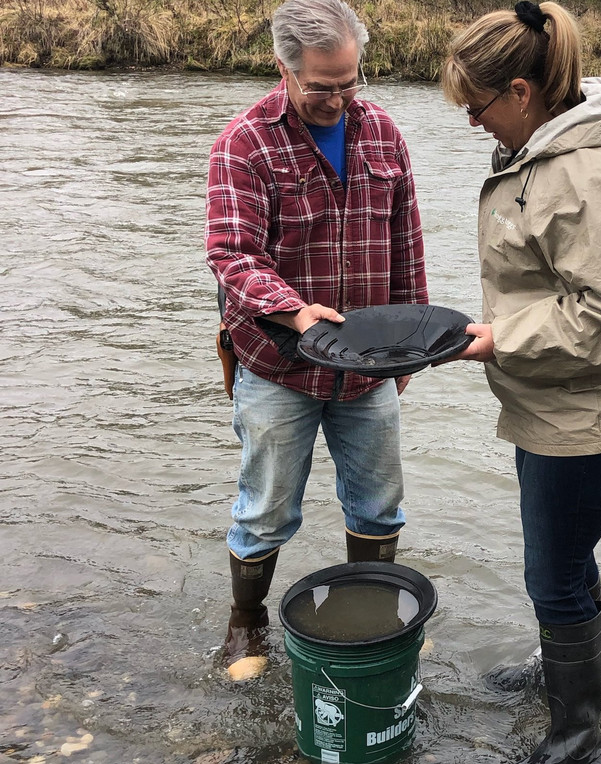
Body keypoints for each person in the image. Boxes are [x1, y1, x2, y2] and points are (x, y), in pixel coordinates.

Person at [441, 0, 601, 764]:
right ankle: (562, 671)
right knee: (567, 560)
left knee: (555, 573)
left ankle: (576, 742)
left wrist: (502, 337)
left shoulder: (585, 170)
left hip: (590, 414)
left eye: (475, 108)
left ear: (520, 91)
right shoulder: (547, 149)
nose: (471, 124)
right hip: (562, 400)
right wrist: (501, 333)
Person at [205, 0, 427, 682]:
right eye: (320, 86)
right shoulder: (243, 142)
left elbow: (404, 241)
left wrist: (414, 339)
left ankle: (368, 621)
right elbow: (232, 256)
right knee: (267, 506)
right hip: (277, 365)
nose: (337, 99)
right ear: (283, 67)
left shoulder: (383, 132)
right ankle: (247, 623)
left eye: (349, 82)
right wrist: (296, 312)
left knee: (379, 504)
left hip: (367, 368)